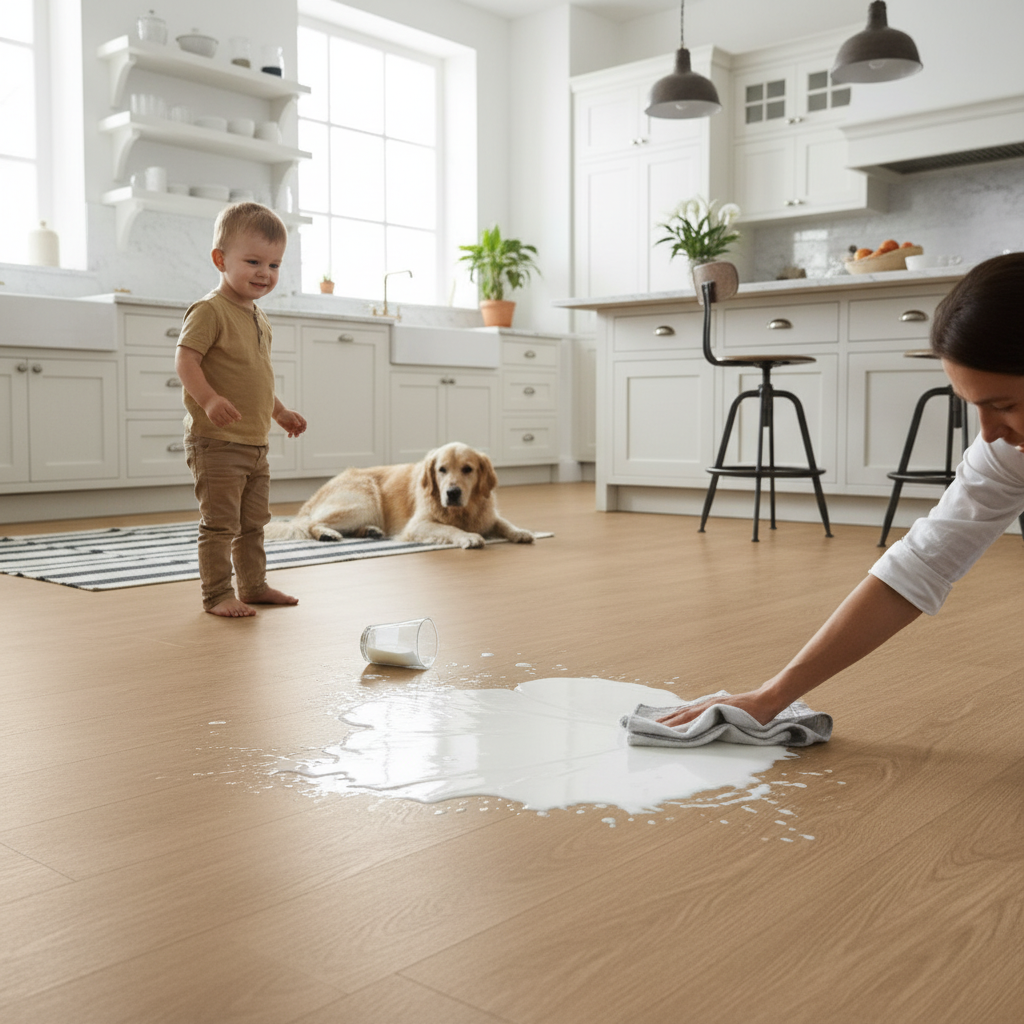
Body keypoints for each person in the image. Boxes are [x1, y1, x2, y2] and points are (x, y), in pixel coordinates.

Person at [659, 252, 1024, 728]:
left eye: (1004, 405)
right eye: (975, 406)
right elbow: (922, 564)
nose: (989, 432)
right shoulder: (1007, 450)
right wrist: (772, 696)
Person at [175, 202, 307, 618]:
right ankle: (217, 594)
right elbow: (185, 361)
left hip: (254, 442)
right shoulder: (210, 310)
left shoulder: (258, 317)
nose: (264, 273)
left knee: (254, 522)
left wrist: (279, 411)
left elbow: (256, 377)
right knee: (220, 523)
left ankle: (253, 585)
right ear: (220, 259)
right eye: (253, 261)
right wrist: (209, 399)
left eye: (273, 264)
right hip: (216, 442)